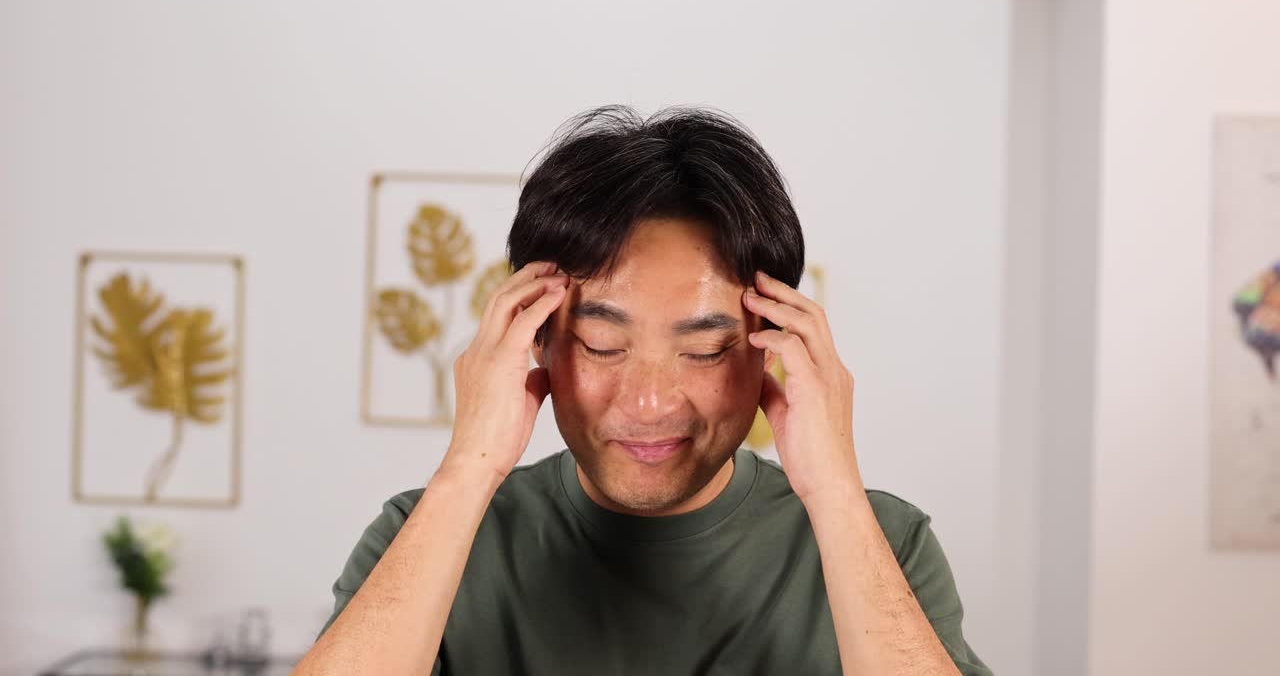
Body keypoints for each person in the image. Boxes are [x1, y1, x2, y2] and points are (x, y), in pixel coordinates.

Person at [293, 106, 991, 675]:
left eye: (705, 349)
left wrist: (836, 492)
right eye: (603, 346)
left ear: (770, 346)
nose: (651, 402)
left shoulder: (886, 543)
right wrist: (468, 468)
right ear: (535, 340)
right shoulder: (422, 535)